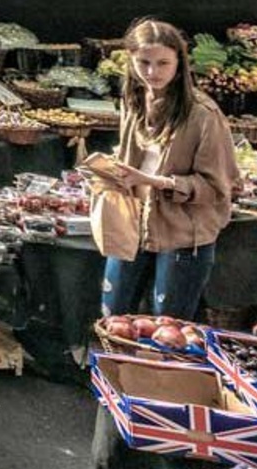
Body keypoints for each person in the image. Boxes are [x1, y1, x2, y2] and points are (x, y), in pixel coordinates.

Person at [96, 19, 237, 321]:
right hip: (132, 224)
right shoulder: (134, 100)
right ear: (130, 61)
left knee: (167, 330)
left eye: (162, 63)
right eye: (143, 63)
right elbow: (134, 158)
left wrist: (154, 181)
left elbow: (216, 188)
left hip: (184, 234)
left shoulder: (203, 114)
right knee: (113, 320)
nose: (152, 72)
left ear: (178, 63)